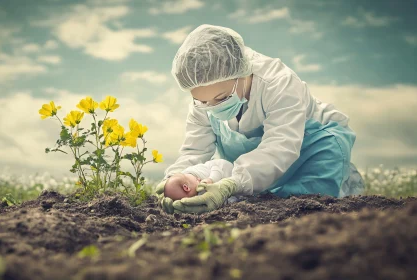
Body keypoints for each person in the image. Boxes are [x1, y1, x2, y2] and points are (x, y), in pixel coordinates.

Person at [155, 24, 365, 214]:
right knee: (262, 204)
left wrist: (232, 184)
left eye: (221, 98)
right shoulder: (203, 99)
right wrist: (174, 179)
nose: (211, 107)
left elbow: (279, 147)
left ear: (241, 75)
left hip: (315, 147)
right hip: (259, 167)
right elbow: (195, 150)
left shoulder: (279, 84)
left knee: (308, 205)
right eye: (202, 101)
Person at [163, 159, 241, 209]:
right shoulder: (191, 182)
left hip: (228, 170)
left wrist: (211, 179)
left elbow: (217, 169)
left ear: (186, 188)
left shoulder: (199, 173)